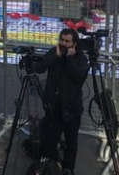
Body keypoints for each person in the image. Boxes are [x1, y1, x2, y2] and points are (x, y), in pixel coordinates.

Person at [33, 28, 89, 175]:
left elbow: (78, 77)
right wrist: (56, 57)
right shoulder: (54, 52)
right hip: (54, 106)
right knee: (49, 136)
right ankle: (51, 162)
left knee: (71, 140)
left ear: (74, 44)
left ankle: (68, 167)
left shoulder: (81, 58)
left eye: (67, 41)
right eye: (61, 40)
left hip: (71, 108)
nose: (63, 43)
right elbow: (39, 68)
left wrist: (70, 58)